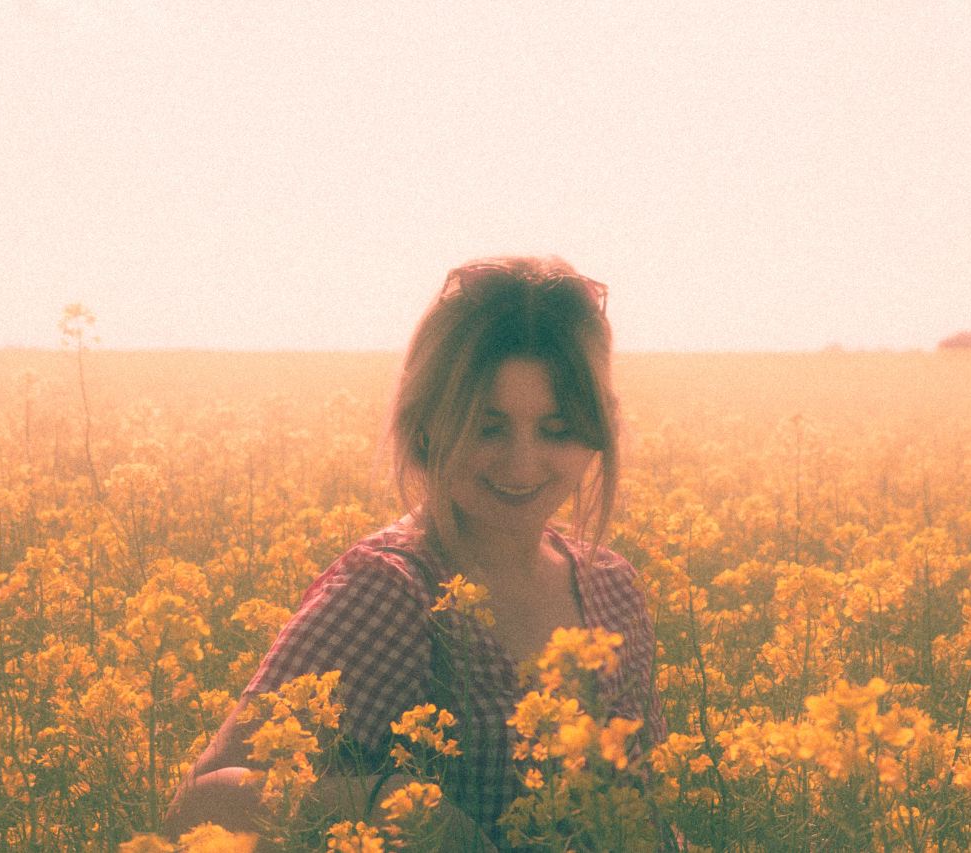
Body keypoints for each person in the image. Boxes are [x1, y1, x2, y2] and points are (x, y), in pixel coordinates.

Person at [164, 256, 666, 850]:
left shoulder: (612, 588)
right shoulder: (393, 592)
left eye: (557, 430)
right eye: (488, 427)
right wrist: (387, 805)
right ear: (427, 423)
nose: (522, 463)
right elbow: (200, 803)